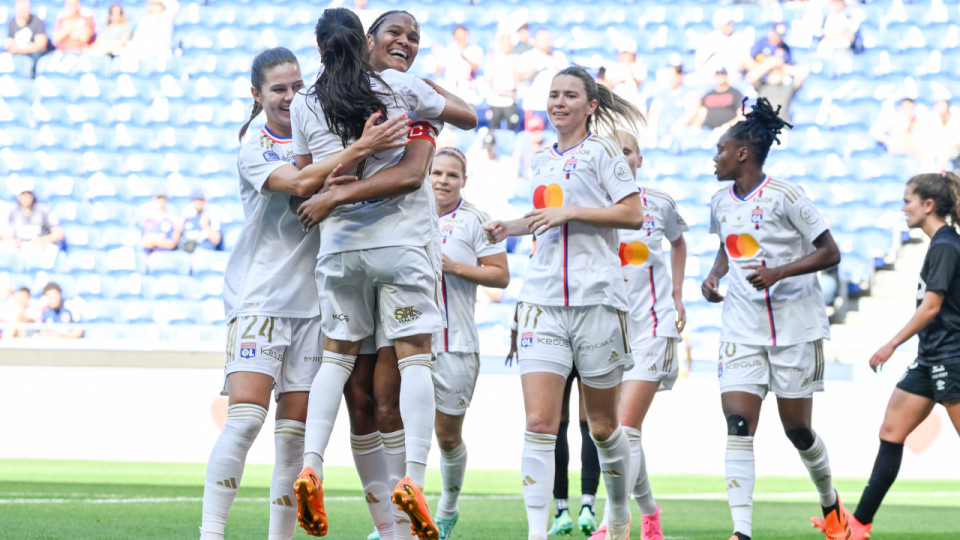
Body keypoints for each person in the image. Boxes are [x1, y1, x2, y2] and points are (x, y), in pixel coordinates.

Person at [198, 46, 409, 540]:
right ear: (257, 95)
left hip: (316, 307)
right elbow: (294, 181)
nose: (290, 97)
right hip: (261, 300)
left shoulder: (324, 131)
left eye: (297, 87)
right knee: (246, 421)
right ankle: (210, 534)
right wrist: (358, 149)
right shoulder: (256, 141)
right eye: (278, 89)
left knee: (293, 442)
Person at [289, 8, 477, 539]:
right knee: (415, 359)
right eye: (397, 34)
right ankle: (414, 479)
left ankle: (312, 465)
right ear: (367, 41)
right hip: (400, 244)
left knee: (336, 358)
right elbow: (469, 117)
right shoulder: (397, 85)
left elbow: (306, 177)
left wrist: (337, 187)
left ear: (321, 48)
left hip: (339, 247)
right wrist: (419, 78)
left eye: (414, 38)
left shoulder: (304, 101)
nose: (407, 43)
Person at [484, 66, 645, 540]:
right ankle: (537, 532)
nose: (559, 102)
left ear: (590, 106)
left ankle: (617, 516)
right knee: (538, 421)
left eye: (570, 95)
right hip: (542, 299)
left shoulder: (604, 152)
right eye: (553, 94)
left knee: (602, 426)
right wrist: (510, 227)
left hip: (597, 300)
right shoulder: (540, 158)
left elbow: (632, 213)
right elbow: (545, 219)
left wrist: (571, 211)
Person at [700, 97, 848, 540]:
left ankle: (831, 505)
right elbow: (728, 246)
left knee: (797, 430)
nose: (715, 157)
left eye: (721, 150)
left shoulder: (788, 196)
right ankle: (741, 532)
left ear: (743, 153)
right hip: (741, 328)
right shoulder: (719, 201)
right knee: (738, 423)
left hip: (795, 328)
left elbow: (830, 251)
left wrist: (779, 271)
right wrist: (713, 276)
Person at [811, 171, 960, 540]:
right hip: (931, 358)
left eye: (908, 199)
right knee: (891, 432)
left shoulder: (945, 245)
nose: (902, 206)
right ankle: (859, 524)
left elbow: (931, 307)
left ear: (928, 205)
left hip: (951, 358)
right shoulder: (941, 243)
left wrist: (891, 343)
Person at [589, 130, 689, 540]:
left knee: (625, 427)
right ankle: (649, 514)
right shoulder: (591, 206)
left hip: (653, 326)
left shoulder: (659, 203)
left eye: (626, 151)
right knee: (620, 433)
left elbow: (679, 243)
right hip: (609, 329)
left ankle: (613, 523)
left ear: (639, 160)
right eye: (611, 152)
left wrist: (678, 294)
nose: (619, 158)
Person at [430, 146, 509, 539]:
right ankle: (396, 521)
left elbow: (500, 276)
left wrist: (454, 266)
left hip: (456, 342)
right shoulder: (405, 213)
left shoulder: (477, 220)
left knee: (446, 436)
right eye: (436, 173)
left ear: (463, 180)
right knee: (398, 431)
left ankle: (446, 510)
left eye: (451, 175)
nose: (443, 180)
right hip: (405, 341)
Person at [746, 52, 807, 125]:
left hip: (780, 127)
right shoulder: (762, 86)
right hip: (761, 126)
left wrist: (781, 66)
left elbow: (803, 73)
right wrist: (769, 65)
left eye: (777, 70)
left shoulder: (788, 87)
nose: (775, 72)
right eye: (772, 70)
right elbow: (750, 78)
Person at [4, 0, 51, 76]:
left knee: (36, 54)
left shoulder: (37, 22)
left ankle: (32, 76)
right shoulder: (12, 22)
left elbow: (41, 45)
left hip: (32, 53)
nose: (25, 11)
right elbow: (9, 41)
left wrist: (22, 50)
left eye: (26, 8)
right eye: (22, 9)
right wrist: (10, 46)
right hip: (18, 51)